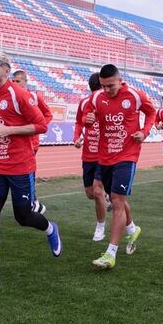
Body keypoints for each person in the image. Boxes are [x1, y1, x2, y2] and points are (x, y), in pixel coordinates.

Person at [0, 51, 61, 288]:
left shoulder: (20, 94)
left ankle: (50, 228)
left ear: (6, 70)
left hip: (20, 166)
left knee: (23, 217)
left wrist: (10, 131)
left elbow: (41, 125)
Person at [87, 64, 156, 269]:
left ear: (120, 80)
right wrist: (88, 119)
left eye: (110, 86)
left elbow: (152, 113)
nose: (107, 90)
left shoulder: (135, 95)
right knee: (116, 197)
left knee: (116, 200)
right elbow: (88, 119)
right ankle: (132, 228)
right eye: (103, 86)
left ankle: (110, 253)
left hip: (127, 155)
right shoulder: (96, 98)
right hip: (104, 156)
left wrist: (144, 131)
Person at [11, 69, 52, 214]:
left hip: (30, 143)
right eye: (13, 81)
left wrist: (35, 128)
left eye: (18, 81)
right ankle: (32, 202)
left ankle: (33, 202)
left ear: (25, 82)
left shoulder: (34, 96)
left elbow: (47, 114)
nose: (15, 83)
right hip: (14, 142)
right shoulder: (10, 96)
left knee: (25, 171)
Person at [73, 72, 108, 241]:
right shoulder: (84, 103)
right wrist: (76, 137)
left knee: (97, 191)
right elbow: (79, 122)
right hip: (88, 154)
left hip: (104, 154)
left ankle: (100, 226)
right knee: (89, 193)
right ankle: (107, 198)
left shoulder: (108, 102)